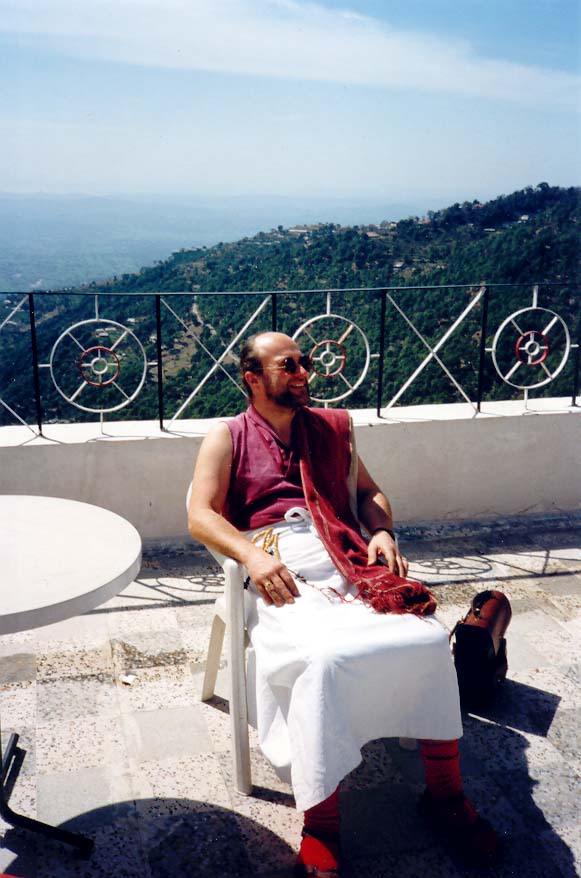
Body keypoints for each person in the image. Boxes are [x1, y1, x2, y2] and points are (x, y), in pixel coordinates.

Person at [188, 331, 498, 877]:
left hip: (343, 552)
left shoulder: (331, 428)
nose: (304, 371)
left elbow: (368, 495)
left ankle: (445, 796)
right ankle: (323, 823)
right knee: (323, 660)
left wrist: (381, 530)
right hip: (274, 562)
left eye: (304, 361)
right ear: (253, 378)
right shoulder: (228, 436)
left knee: (425, 639)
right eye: (289, 365)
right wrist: (252, 559)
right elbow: (200, 515)